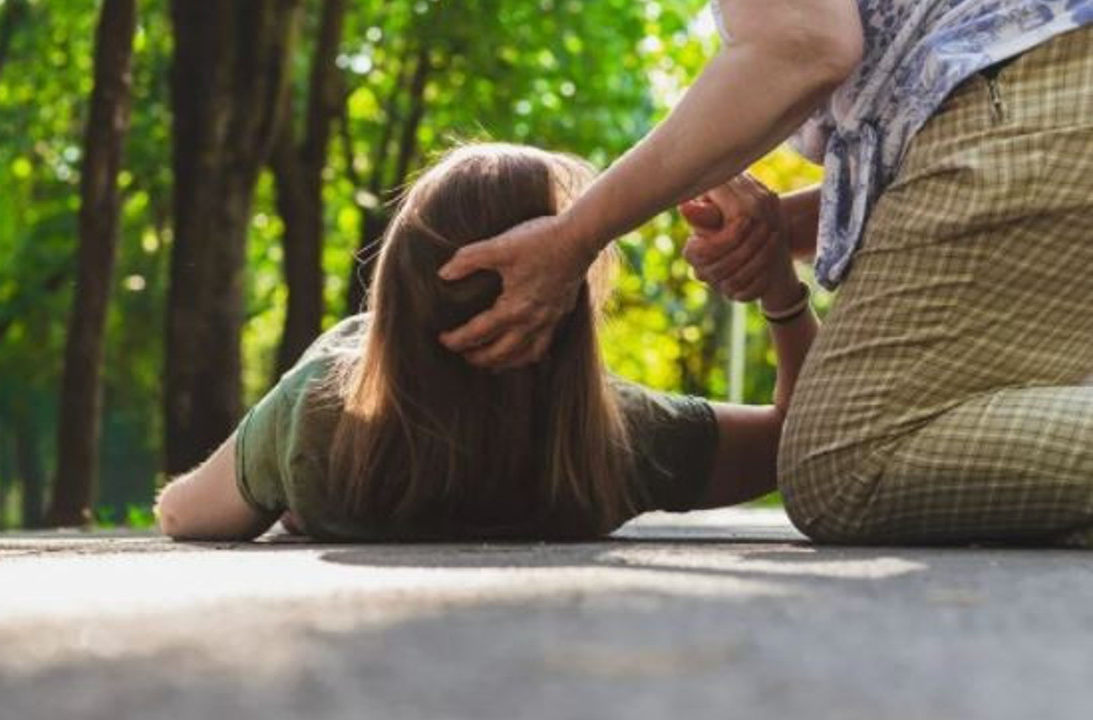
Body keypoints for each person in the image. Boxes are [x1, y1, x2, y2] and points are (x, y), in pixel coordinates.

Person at [436, 1, 1093, 545]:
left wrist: (575, 235)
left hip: (1033, 89)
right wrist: (776, 239)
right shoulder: (629, 437)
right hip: (1051, 88)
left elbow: (802, 45)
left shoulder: (626, 437)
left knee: (846, 463)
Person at [154, 143, 817, 541]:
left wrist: (288, 458)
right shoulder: (616, 439)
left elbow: (181, 515)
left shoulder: (318, 415)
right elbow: (800, 444)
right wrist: (781, 294)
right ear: (564, 308)